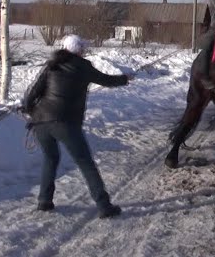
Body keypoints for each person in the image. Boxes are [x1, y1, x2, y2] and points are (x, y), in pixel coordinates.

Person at [22, 34, 133, 218]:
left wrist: (28, 109)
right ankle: (104, 206)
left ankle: (44, 201)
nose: (84, 50)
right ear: (78, 50)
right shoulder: (83, 67)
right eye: (82, 48)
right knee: (85, 162)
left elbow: (33, 91)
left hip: (41, 121)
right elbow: (106, 80)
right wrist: (125, 78)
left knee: (50, 158)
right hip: (65, 123)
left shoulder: (52, 65)